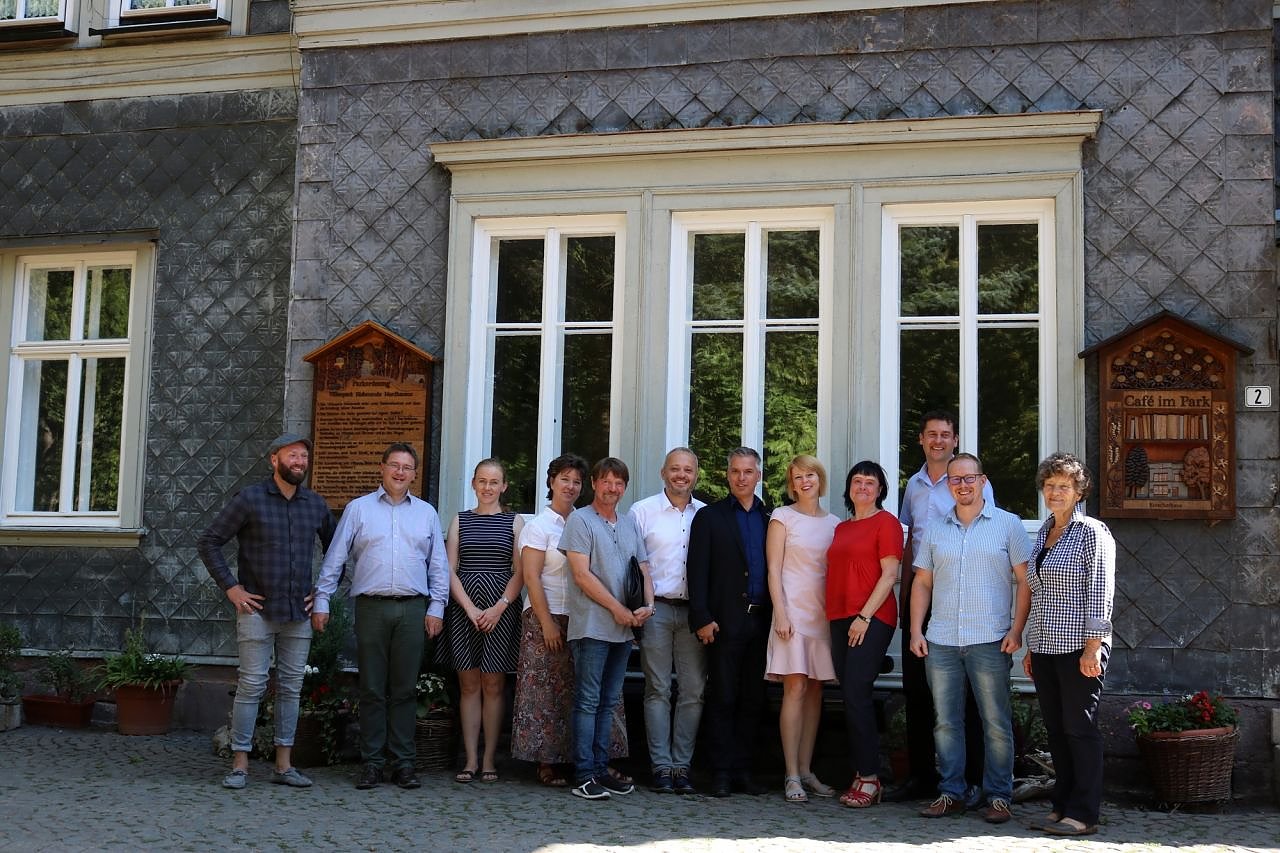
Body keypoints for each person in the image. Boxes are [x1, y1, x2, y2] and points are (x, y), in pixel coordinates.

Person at [198, 433, 336, 790]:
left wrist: (321, 592)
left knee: (291, 688)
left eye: (303, 456)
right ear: (274, 460)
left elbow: (336, 552)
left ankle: (283, 766)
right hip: (256, 610)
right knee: (252, 685)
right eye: (292, 455)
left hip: (298, 613)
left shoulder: (315, 505)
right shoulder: (249, 499)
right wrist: (231, 587)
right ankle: (240, 765)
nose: (299, 462)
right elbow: (209, 541)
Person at [312, 442, 449, 791]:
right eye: (394, 465)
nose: (400, 472)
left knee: (404, 689)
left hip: (412, 608)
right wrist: (322, 600)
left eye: (407, 467)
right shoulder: (358, 509)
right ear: (382, 468)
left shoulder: (426, 514)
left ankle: (404, 763)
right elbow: (335, 557)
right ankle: (372, 763)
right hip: (371, 608)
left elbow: (438, 565)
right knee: (371, 687)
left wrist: (436, 607)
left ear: (415, 474)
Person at [909, 452, 1031, 823]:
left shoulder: (1008, 524)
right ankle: (951, 793)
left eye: (969, 478)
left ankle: (999, 796)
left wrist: (1017, 629)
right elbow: (922, 582)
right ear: (948, 485)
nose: (962, 485)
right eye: (955, 479)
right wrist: (915, 630)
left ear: (982, 481)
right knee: (946, 723)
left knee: (995, 722)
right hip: (942, 638)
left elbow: (1025, 582)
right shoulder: (936, 528)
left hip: (990, 639)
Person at [891, 410, 994, 803]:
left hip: (962, 598)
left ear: (955, 440)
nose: (938, 440)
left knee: (966, 693)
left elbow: (988, 535)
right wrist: (905, 601)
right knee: (917, 692)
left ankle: (972, 780)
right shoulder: (913, 487)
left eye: (945, 434)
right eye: (931, 434)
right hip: (921, 599)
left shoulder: (972, 483)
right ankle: (922, 777)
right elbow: (910, 544)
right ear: (921, 440)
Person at [512, 454, 630, 787]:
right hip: (547, 615)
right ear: (551, 482)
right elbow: (531, 578)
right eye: (564, 479)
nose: (570, 486)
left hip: (585, 617)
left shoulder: (586, 520)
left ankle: (589, 761)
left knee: (583, 693)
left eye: (576, 481)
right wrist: (547, 622)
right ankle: (547, 762)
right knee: (547, 692)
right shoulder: (539, 526)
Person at [1024, 453, 1115, 837]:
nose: (1055, 492)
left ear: (1079, 491)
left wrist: (1093, 647)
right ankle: (1061, 805)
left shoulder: (1092, 532)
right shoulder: (1045, 531)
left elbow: (1100, 593)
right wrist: (1032, 646)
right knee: (1057, 731)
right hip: (1046, 647)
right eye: (1050, 485)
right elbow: (1038, 592)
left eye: (1064, 486)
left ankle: (1084, 813)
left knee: (1080, 729)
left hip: (1080, 648)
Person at [559, 457, 654, 801]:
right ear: (594, 484)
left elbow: (643, 568)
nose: (612, 488)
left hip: (623, 629)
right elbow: (581, 575)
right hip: (592, 626)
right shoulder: (580, 520)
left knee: (609, 701)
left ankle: (601, 770)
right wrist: (618, 610)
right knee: (587, 701)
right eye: (606, 481)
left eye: (619, 483)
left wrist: (648, 605)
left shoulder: (629, 524)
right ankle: (583, 774)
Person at [687, 447, 771, 798]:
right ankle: (720, 772)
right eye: (735, 471)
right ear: (727, 475)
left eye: (748, 472)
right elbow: (696, 571)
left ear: (758, 476)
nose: (741, 477)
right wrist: (702, 617)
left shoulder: (771, 518)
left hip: (762, 622)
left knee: (754, 698)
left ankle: (742, 771)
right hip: (722, 622)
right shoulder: (709, 517)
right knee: (722, 696)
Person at [438, 459, 525, 784]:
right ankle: (471, 759)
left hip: (501, 611)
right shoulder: (459, 520)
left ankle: (489, 758)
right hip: (464, 611)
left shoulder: (515, 522)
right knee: (469, 684)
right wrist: (471, 609)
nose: (488, 487)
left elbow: (520, 572)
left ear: (504, 486)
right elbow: (450, 570)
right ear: (474, 484)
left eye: (494, 482)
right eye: (482, 481)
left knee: (493, 684)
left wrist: (498, 608)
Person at [630, 448, 707, 794]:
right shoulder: (642, 511)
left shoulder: (704, 514)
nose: (681, 475)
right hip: (655, 610)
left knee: (693, 690)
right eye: (675, 469)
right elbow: (630, 563)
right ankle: (661, 766)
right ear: (663, 472)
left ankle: (682, 766)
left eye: (688, 470)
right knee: (657, 688)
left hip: (693, 613)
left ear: (696, 475)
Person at [827, 460, 902, 808]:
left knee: (857, 692)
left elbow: (889, 575)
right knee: (849, 694)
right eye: (857, 481)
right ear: (849, 488)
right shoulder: (841, 528)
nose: (863, 487)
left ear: (880, 490)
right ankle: (860, 772)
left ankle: (870, 777)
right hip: (839, 617)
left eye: (870, 482)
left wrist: (864, 616)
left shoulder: (886, 523)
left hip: (871, 618)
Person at [764, 455, 839, 804]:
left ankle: (807, 771)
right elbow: (773, 570)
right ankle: (791, 773)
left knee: (815, 692)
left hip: (822, 616)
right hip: (791, 613)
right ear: (791, 484)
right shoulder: (782, 517)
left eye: (810, 475)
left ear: (820, 479)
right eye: (798, 477)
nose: (805, 481)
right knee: (794, 688)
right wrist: (781, 614)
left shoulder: (835, 523)